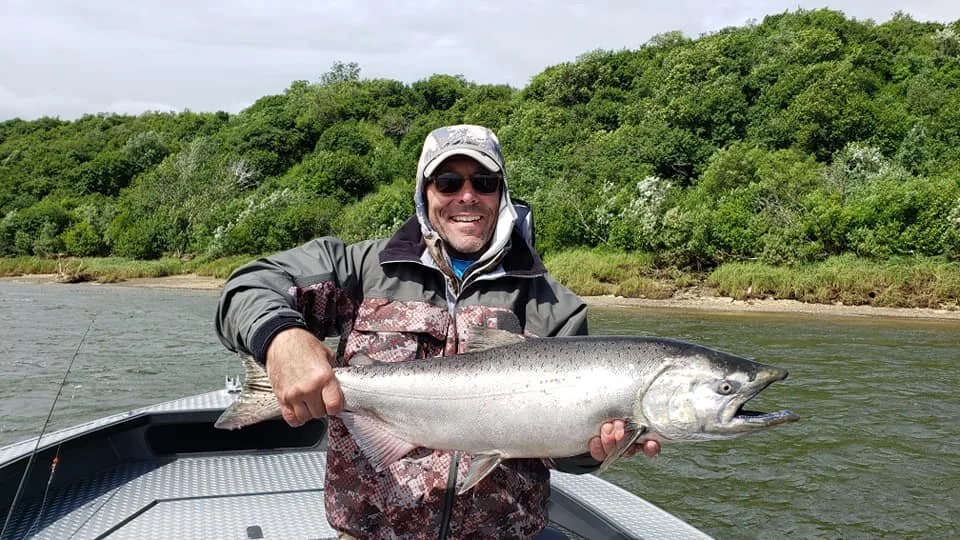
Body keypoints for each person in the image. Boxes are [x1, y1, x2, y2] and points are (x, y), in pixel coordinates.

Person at [215, 124, 659, 539]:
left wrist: (594, 449)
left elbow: (563, 453)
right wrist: (280, 338)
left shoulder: (553, 305)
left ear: (501, 194)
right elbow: (249, 284)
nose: (467, 196)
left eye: (484, 183)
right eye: (448, 182)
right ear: (424, 191)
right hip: (371, 530)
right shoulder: (363, 269)